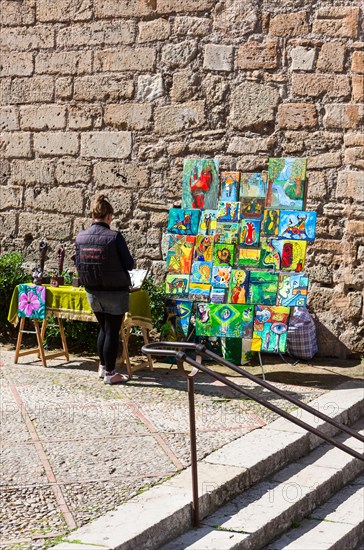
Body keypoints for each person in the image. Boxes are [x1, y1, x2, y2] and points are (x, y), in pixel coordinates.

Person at [75, 195, 135, 384]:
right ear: (109, 216)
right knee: (112, 331)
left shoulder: (81, 237)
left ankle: (102, 368)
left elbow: (77, 263)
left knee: (103, 328)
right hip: (115, 291)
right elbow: (129, 264)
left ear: (93, 215)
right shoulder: (114, 237)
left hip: (92, 291)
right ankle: (110, 373)